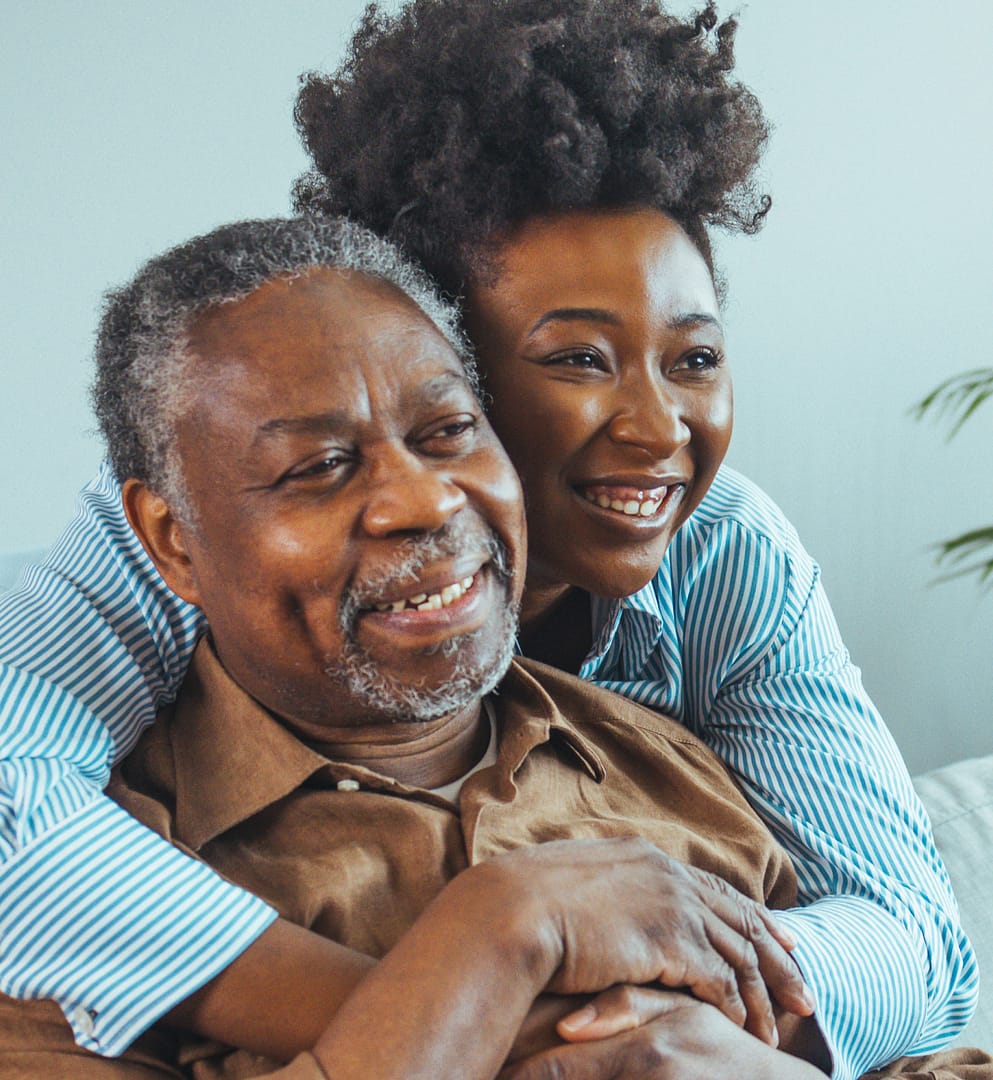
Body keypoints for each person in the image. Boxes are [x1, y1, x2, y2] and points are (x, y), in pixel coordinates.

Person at [0, 2, 976, 1077]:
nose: (660, 433)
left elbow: (918, 948)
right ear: (423, 343)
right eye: (577, 361)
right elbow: (17, 828)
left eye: (694, 360)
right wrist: (473, 991)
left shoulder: (726, 555)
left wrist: (670, 1032)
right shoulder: (184, 524)